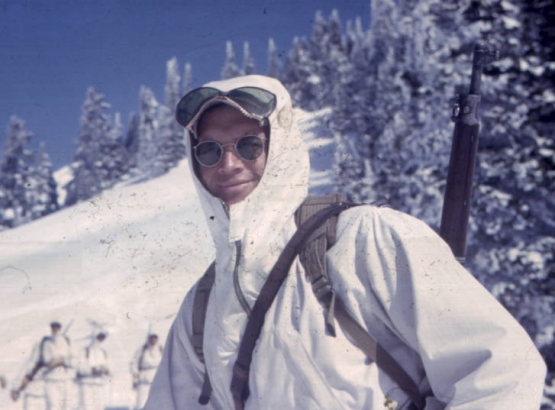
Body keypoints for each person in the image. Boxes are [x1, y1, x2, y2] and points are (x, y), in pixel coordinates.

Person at [144, 74, 546, 409]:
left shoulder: (367, 238)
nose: (228, 164)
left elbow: (501, 370)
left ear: (281, 146)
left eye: (250, 145)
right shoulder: (202, 303)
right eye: (210, 151)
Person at [41, 321, 76, 410]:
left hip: (65, 378)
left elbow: (73, 358)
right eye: (53, 327)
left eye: (57, 327)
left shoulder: (67, 341)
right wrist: (56, 361)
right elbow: (46, 360)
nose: (55, 329)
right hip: (52, 378)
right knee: (53, 406)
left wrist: (63, 360)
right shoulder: (47, 342)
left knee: (67, 405)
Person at [75, 331, 110, 410]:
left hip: (98, 383)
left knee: (99, 406)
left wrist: (105, 370)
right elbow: (80, 367)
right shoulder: (85, 351)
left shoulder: (103, 352)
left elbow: (109, 368)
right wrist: (94, 369)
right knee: (86, 406)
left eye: (102, 338)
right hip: (86, 384)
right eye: (99, 337)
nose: (100, 340)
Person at [130, 333, 162, 410]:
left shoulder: (160, 350)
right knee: (142, 404)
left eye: (155, 338)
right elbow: (134, 363)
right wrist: (135, 374)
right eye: (152, 338)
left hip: (157, 382)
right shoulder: (142, 350)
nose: (153, 340)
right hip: (144, 382)